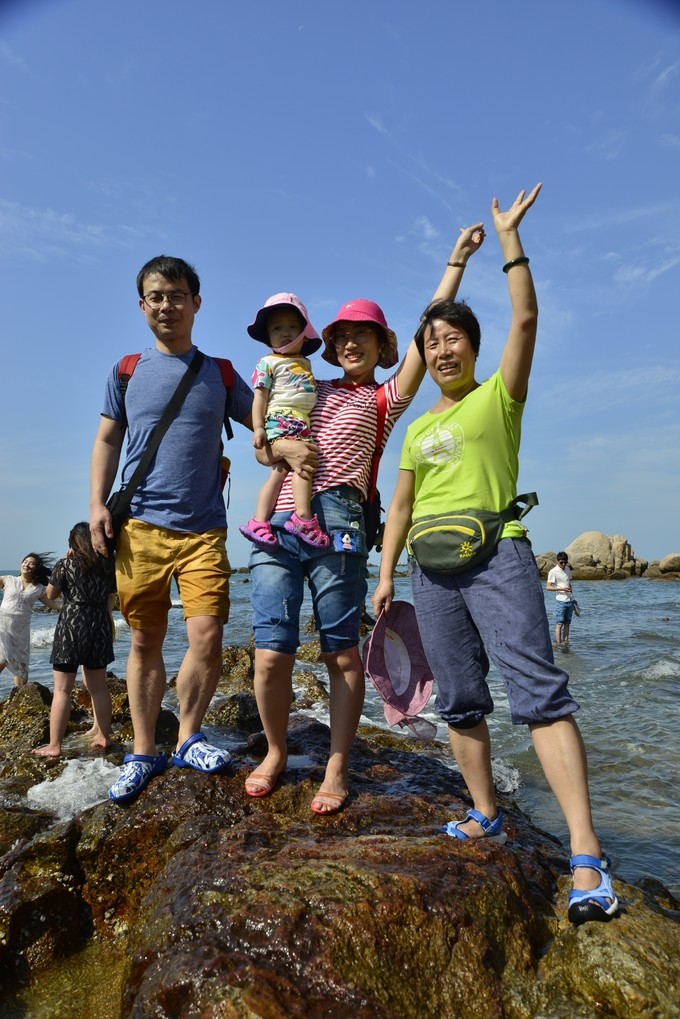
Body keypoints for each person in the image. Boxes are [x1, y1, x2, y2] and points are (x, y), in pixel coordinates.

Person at [373, 184, 619, 926]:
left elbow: (527, 315)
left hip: (499, 555)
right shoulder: (416, 429)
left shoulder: (499, 397)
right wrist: (385, 575)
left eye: (453, 339)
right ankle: (485, 810)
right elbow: (402, 506)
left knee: (539, 692)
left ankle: (585, 849)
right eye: (432, 341)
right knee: (460, 698)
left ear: (472, 348)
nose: (442, 348)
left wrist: (508, 240)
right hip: (429, 569)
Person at [245, 222, 485, 812]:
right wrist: (278, 449)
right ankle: (275, 750)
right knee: (271, 651)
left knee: (341, 654)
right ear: (329, 343)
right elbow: (262, 443)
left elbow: (429, 332)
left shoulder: (384, 400)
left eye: (365, 336)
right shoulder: (308, 382)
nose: (353, 343)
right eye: (344, 335)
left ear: (383, 347)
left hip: (343, 524)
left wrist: (455, 260)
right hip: (279, 519)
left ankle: (337, 764)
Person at [89, 254, 253, 804]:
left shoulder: (222, 373)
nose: (167, 305)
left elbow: (269, 425)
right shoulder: (127, 369)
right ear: (142, 306)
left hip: (205, 528)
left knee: (207, 636)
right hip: (140, 528)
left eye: (177, 295)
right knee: (144, 639)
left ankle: (187, 737)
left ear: (196, 303)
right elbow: (108, 439)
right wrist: (97, 504)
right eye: (156, 296)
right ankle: (142, 749)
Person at [239, 293, 329, 551]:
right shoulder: (268, 363)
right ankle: (302, 518)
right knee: (304, 467)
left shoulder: (305, 362)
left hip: (299, 421)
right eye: (277, 328)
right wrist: (258, 428)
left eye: (292, 327)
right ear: (268, 336)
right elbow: (260, 398)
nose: (286, 333)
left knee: (279, 474)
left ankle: (259, 521)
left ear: (304, 332)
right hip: (283, 419)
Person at [33, 522, 116, 757]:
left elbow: (50, 595)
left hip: (72, 625)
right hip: (99, 624)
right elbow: (112, 595)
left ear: (73, 543)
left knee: (62, 690)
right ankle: (103, 736)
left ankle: (54, 746)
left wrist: (65, 563)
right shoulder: (108, 565)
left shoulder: (66, 564)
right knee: (98, 687)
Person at [0, 553, 58, 687]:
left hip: (21, 632)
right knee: (2, 658)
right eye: (25, 561)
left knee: (21, 673)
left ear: (37, 568)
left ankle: (17, 701)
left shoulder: (38, 588)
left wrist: (71, 606)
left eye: (31, 563)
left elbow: (52, 604)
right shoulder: (7, 580)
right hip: (2, 627)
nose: (26, 564)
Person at [547, 552, 574, 649]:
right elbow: (548, 587)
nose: (563, 565)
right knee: (559, 624)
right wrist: (562, 589)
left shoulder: (567, 569)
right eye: (561, 562)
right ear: (557, 561)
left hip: (570, 600)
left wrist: (571, 589)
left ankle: (566, 643)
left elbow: (568, 582)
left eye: (565, 562)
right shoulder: (553, 571)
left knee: (567, 623)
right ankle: (558, 644)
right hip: (561, 601)